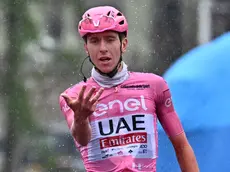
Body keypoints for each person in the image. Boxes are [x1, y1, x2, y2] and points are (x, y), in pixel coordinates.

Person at [59, 5, 199, 172]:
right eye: (94, 41)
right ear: (86, 48)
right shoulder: (74, 96)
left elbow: (181, 146)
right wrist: (81, 118)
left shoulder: (154, 86)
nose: (103, 48)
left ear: (123, 44)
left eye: (110, 39)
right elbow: (82, 139)